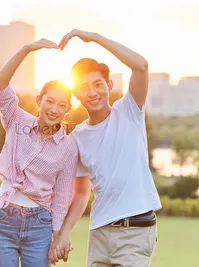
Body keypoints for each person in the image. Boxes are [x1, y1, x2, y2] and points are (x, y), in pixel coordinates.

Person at [48, 29, 162, 267]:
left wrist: (95, 38)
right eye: (83, 87)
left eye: (97, 84)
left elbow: (141, 65)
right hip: (99, 234)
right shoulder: (77, 137)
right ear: (76, 93)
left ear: (109, 85)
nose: (91, 92)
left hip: (135, 231)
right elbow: (81, 194)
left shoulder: (129, 111)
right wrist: (64, 232)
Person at [0, 38, 79, 267]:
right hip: (2, 221)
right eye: (50, 101)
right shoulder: (16, 120)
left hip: (39, 226)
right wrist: (27, 49)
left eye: (62, 105)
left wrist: (57, 237)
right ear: (39, 100)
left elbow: (62, 198)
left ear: (68, 109)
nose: (54, 109)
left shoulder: (68, 148)